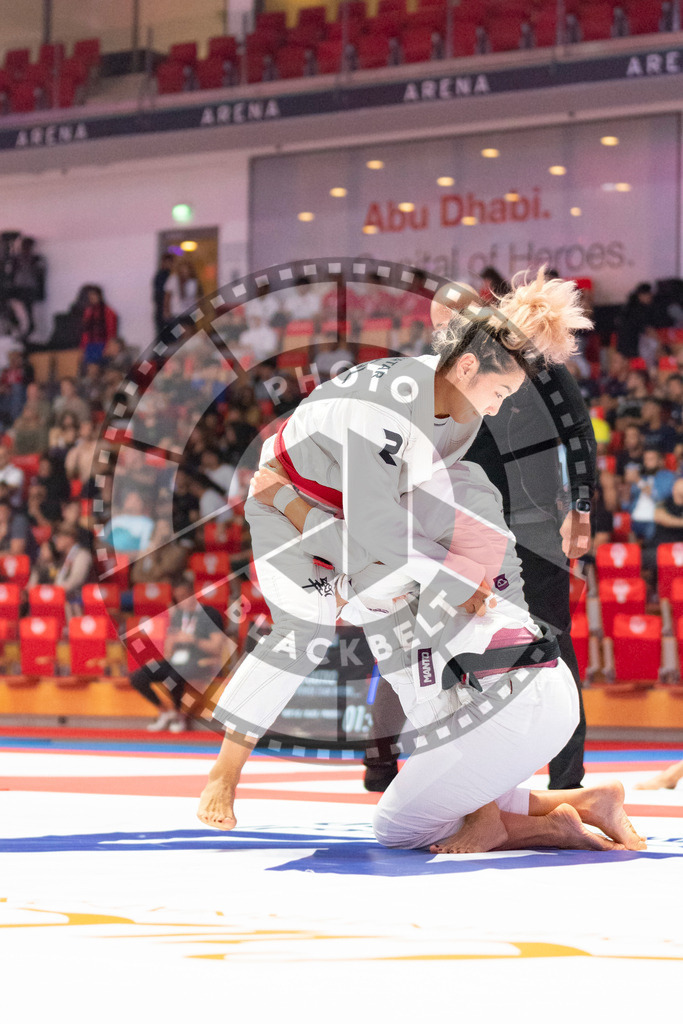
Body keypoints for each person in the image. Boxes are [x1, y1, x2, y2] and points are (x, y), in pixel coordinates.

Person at [196, 268, 592, 830]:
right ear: (471, 366)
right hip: (289, 505)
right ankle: (225, 774)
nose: (502, 409)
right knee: (303, 631)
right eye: (501, 393)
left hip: (366, 507)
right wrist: (453, 575)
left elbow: (442, 505)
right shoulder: (387, 406)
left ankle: (480, 801)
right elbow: (374, 536)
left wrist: (482, 579)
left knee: (409, 629)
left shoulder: (461, 407)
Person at [130, 575, 226, 733]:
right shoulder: (178, 616)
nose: (181, 601)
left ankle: (179, 716)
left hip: (200, 662)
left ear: (193, 594)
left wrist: (193, 640)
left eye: (184, 597)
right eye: (178, 598)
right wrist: (171, 644)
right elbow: (168, 652)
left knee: (174, 676)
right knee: (139, 677)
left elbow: (216, 648)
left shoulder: (210, 614)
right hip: (176, 662)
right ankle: (166, 712)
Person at [80, 286, 118, 366]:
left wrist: (109, 346)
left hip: (103, 344)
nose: (92, 298)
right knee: (90, 367)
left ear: (99, 296)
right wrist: (83, 347)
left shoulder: (108, 312)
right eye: (90, 296)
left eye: (94, 295)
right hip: (90, 346)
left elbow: (111, 331)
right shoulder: (88, 312)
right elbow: (85, 331)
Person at [153, 252, 174, 335]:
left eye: (170, 262)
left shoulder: (172, 275)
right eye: (167, 262)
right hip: (162, 311)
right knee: (164, 336)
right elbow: (159, 295)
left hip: (168, 311)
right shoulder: (161, 276)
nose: (169, 264)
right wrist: (165, 309)